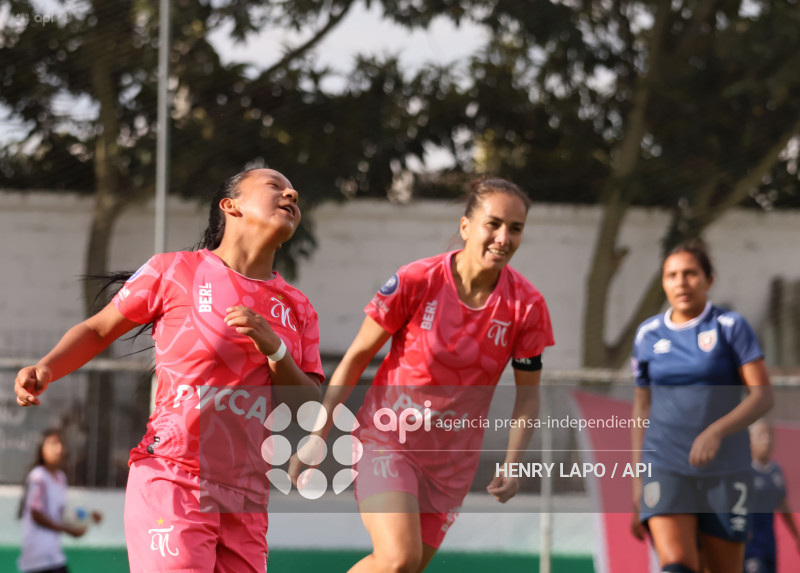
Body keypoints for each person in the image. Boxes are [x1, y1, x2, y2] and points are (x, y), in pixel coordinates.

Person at [14, 168, 324, 573]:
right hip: (172, 475)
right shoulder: (174, 271)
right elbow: (98, 329)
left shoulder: (296, 306)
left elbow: (307, 405)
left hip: (245, 496)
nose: (292, 193)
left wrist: (276, 350)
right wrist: (47, 367)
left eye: (293, 192)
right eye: (274, 187)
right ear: (230, 206)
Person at [290, 176, 555, 572]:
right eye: (493, 224)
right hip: (388, 442)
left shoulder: (527, 306)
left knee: (406, 569)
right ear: (466, 226)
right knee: (399, 559)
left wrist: (512, 464)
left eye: (515, 229)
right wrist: (318, 433)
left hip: (452, 465)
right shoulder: (417, 280)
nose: (503, 237)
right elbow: (358, 356)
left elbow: (528, 396)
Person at [630, 240, 774, 573]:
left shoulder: (730, 327)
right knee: (677, 566)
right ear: (663, 282)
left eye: (690, 273)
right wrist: (637, 479)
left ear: (708, 280)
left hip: (726, 470)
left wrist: (717, 431)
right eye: (672, 275)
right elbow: (641, 408)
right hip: (664, 465)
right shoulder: (648, 335)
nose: (681, 282)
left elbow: (762, 395)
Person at [17, 429, 102, 573]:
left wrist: (88, 517)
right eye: (52, 444)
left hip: (54, 555)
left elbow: (61, 512)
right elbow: (36, 514)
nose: (58, 449)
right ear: (41, 449)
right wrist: (68, 531)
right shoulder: (38, 477)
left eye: (61, 444)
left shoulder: (61, 477)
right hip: (37, 558)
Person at [745, 418, 800, 573]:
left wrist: (796, 535)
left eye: (770, 434)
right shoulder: (744, 473)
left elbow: (783, 504)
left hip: (769, 542)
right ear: (750, 440)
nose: (767, 440)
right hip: (750, 545)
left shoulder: (776, 471)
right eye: (761, 435)